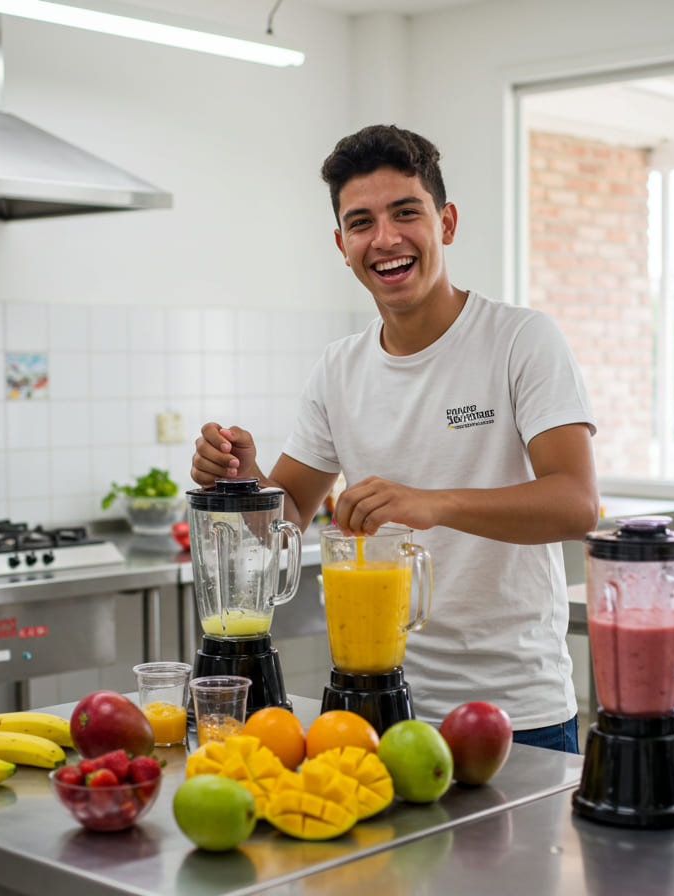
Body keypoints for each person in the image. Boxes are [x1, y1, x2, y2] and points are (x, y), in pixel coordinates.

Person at [191, 124, 598, 752]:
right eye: (361, 223)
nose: (385, 239)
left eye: (406, 212)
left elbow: (576, 505)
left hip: (515, 714)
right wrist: (242, 480)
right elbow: (288, 515)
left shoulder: (521, 340)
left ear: (447, 222)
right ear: (341, 244)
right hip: (380, 707)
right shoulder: (339, 368)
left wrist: (431, 503)